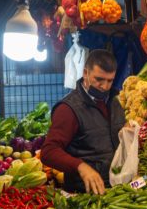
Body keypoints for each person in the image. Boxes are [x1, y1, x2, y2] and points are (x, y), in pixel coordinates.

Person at [41, 49, 125, 195]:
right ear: (85, 73)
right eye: (99, 79)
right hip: (83, 194)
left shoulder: (116, 101)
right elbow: (49, 152)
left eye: (110, 81)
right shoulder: (68, 109)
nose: (105, 86)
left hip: (116, 192)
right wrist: (80, 166)